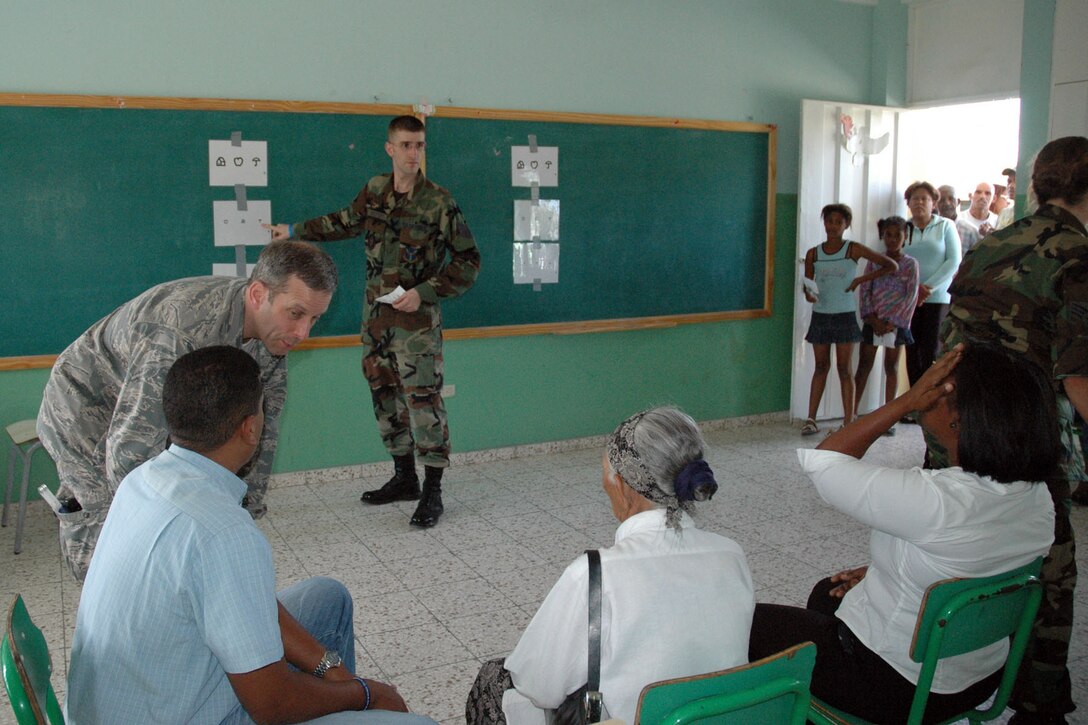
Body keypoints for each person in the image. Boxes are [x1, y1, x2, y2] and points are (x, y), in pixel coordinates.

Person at [65, 346, 434, 725]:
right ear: (250, 427)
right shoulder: (223, 532)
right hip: (181, 715)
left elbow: (245, 597)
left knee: (327, 596)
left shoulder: (142, 479)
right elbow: (272, 706)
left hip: (120, 705)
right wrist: (364, 694)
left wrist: (334, 674)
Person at [750, 344, 1058, 723]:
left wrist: (905, 402)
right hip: (977, 677)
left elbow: (825, 462)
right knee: (825, 593)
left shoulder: (938, 501)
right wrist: (887, 573)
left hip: (900, 687)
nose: (927, 390)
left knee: (743, 622)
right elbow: (973, 565)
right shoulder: (1038, 498)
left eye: (936, 386)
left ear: (958, 416)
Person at [37, 240, 338, 581]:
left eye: (315, 318)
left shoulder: (272, 339)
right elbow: (130, 455)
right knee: (109, 524)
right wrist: (163, 532)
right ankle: (108, 613)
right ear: (257, 295)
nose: (303, 333)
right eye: (296, 313)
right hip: (84, 408)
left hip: (143, 404)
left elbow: (258, 433)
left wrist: (241, 520)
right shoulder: (180, 330)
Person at [465, 407, 755, 725]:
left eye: (607, 471)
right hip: (716, 717)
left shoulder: (594, 574)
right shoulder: (732, 555)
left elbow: (539, 687)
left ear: (625, 485)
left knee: (494, 679)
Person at [265, 115, 480, 529]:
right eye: (405, 145)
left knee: (423, 402)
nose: (413, 153)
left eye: (419, 145)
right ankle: (404, 478)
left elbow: (469, 261)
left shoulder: (438, 202)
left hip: (416, 324)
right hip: (376, 318)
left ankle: (432, 490)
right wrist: (294, 231)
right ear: (390, 148)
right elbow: (344, 221)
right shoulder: (376, 190)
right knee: (384, 395)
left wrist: (426, 291)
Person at [940, 136, 1088, 723]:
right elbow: (1078, 378)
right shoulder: (1077, 253)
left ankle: (960, 676)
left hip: (955, 428)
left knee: (967, 553)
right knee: (1050, 568)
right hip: (1022, 438)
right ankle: (1038, 704)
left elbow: (953, 340)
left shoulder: (994, 240)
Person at [800, 203, 897, 436]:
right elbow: (808, 285)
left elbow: (890, 265)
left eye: (838, 222)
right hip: (821, 316)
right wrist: (809, 294)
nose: (832, 226)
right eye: (829, 221)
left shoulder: (852, 249)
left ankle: (848, 421)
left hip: (844, 316)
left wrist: (860, 281)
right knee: (821, 366)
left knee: (845, 369)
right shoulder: (814, 253)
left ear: (846, 226)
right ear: (823, 223)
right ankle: (811, 419)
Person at [853, 216, 919, 434]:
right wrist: (871, 319)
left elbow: (911, 296)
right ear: (882, 236)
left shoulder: (910, 265)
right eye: (888, 235)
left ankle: (888, 419)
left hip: (896, 326)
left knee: (891, 368)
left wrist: (893, 323)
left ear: (905, 237)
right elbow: (865, 291)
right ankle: (851, 414)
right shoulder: (874, 261)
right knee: (864, 366)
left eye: (897, 235)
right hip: (874, 322)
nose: (892, 240)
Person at [901, 181, 962, 388]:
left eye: (924, 198)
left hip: (936, 299)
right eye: (915, 198)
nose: (919, 202)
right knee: (911, 349)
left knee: (931, 350)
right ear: (908, 202)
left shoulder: (946, 226)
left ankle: (929, 402)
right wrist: (913, 290)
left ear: (933, 203)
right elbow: (897, 261)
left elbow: (953, 261)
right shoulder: (903, 228)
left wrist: (927, 287)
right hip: (909, 300)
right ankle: (914, 403)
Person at [955, 182, 999, 256]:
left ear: (994, 198)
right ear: (970, 196)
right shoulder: (959, 219)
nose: (982, 196)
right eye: (978, 192)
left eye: (987, 193)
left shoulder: (998, 221)